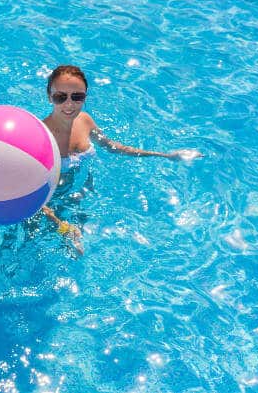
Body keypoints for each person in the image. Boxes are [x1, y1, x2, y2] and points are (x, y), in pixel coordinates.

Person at [39, 65, 203, 254]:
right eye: (61, 97)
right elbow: (30, 195)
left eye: (77, 97)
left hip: (83, 194)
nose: (69, 104)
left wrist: (166, 156)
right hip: (53, 205)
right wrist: (63, 228)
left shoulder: (84, 120)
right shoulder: (41, 137)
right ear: (49, 96)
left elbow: (113, 147)